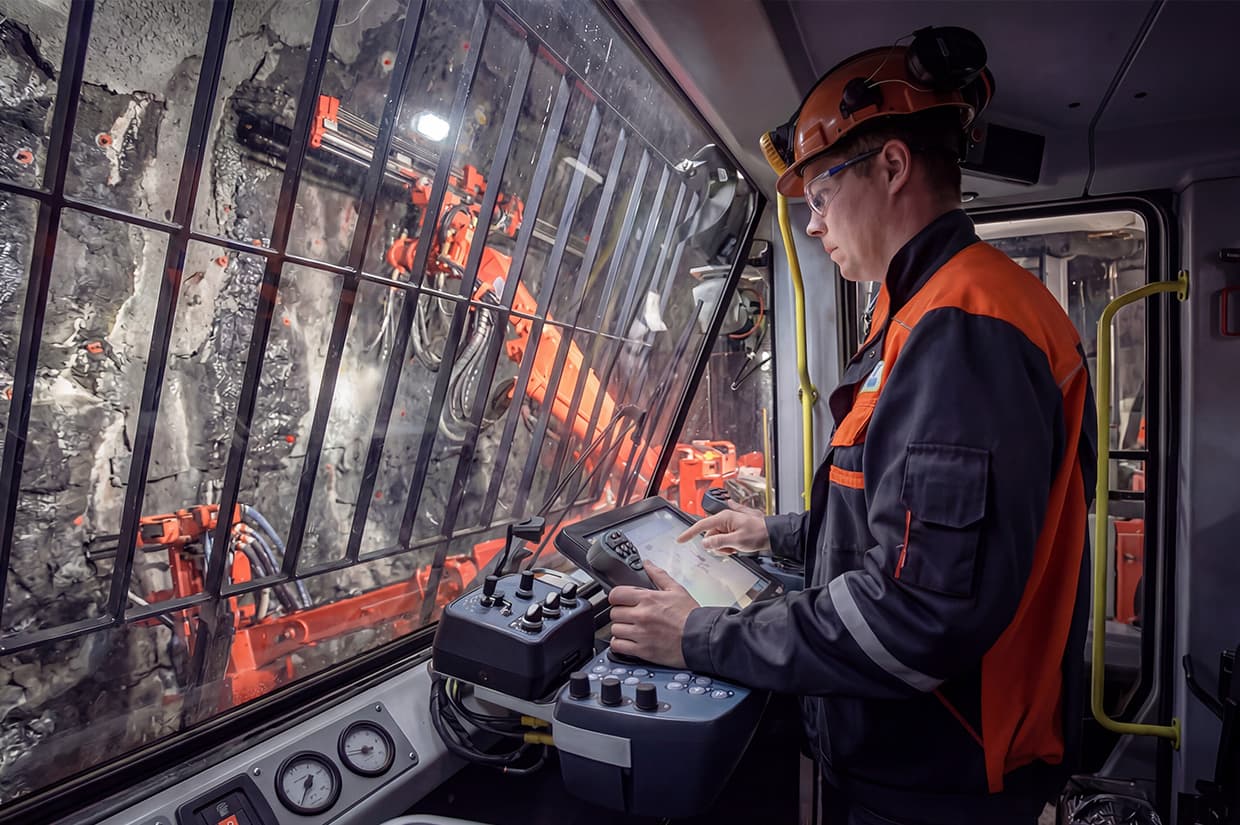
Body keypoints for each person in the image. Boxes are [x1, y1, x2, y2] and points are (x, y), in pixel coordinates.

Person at [607, 27, 1098, 825]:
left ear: (894, 167)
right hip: (930, 756)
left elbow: (916, 616)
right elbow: (910, 524)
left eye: (822, 197)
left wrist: (700, 637)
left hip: (937, 770)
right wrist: (778, 532)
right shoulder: (932, 310)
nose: (811, 225)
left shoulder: (961, 328)